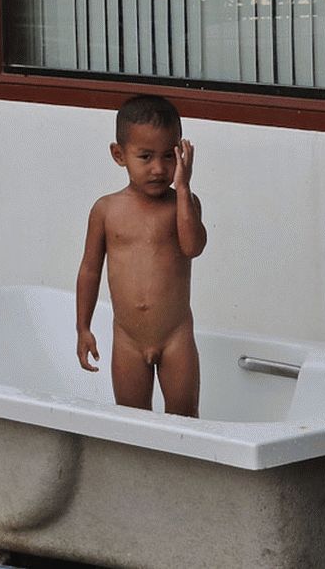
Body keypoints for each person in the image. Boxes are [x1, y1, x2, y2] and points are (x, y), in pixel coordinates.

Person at [76, 95, 207, 417]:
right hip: (128, 340)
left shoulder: (183, 205)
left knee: (185, 419)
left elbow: (193, 247)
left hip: (176, 336)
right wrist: (83, 327)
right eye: (145, 156)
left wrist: (184, 189)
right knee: (132, 423)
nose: (159, 168)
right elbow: (90, 270)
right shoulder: (106, 210)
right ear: (119, 155)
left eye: (168, 156)